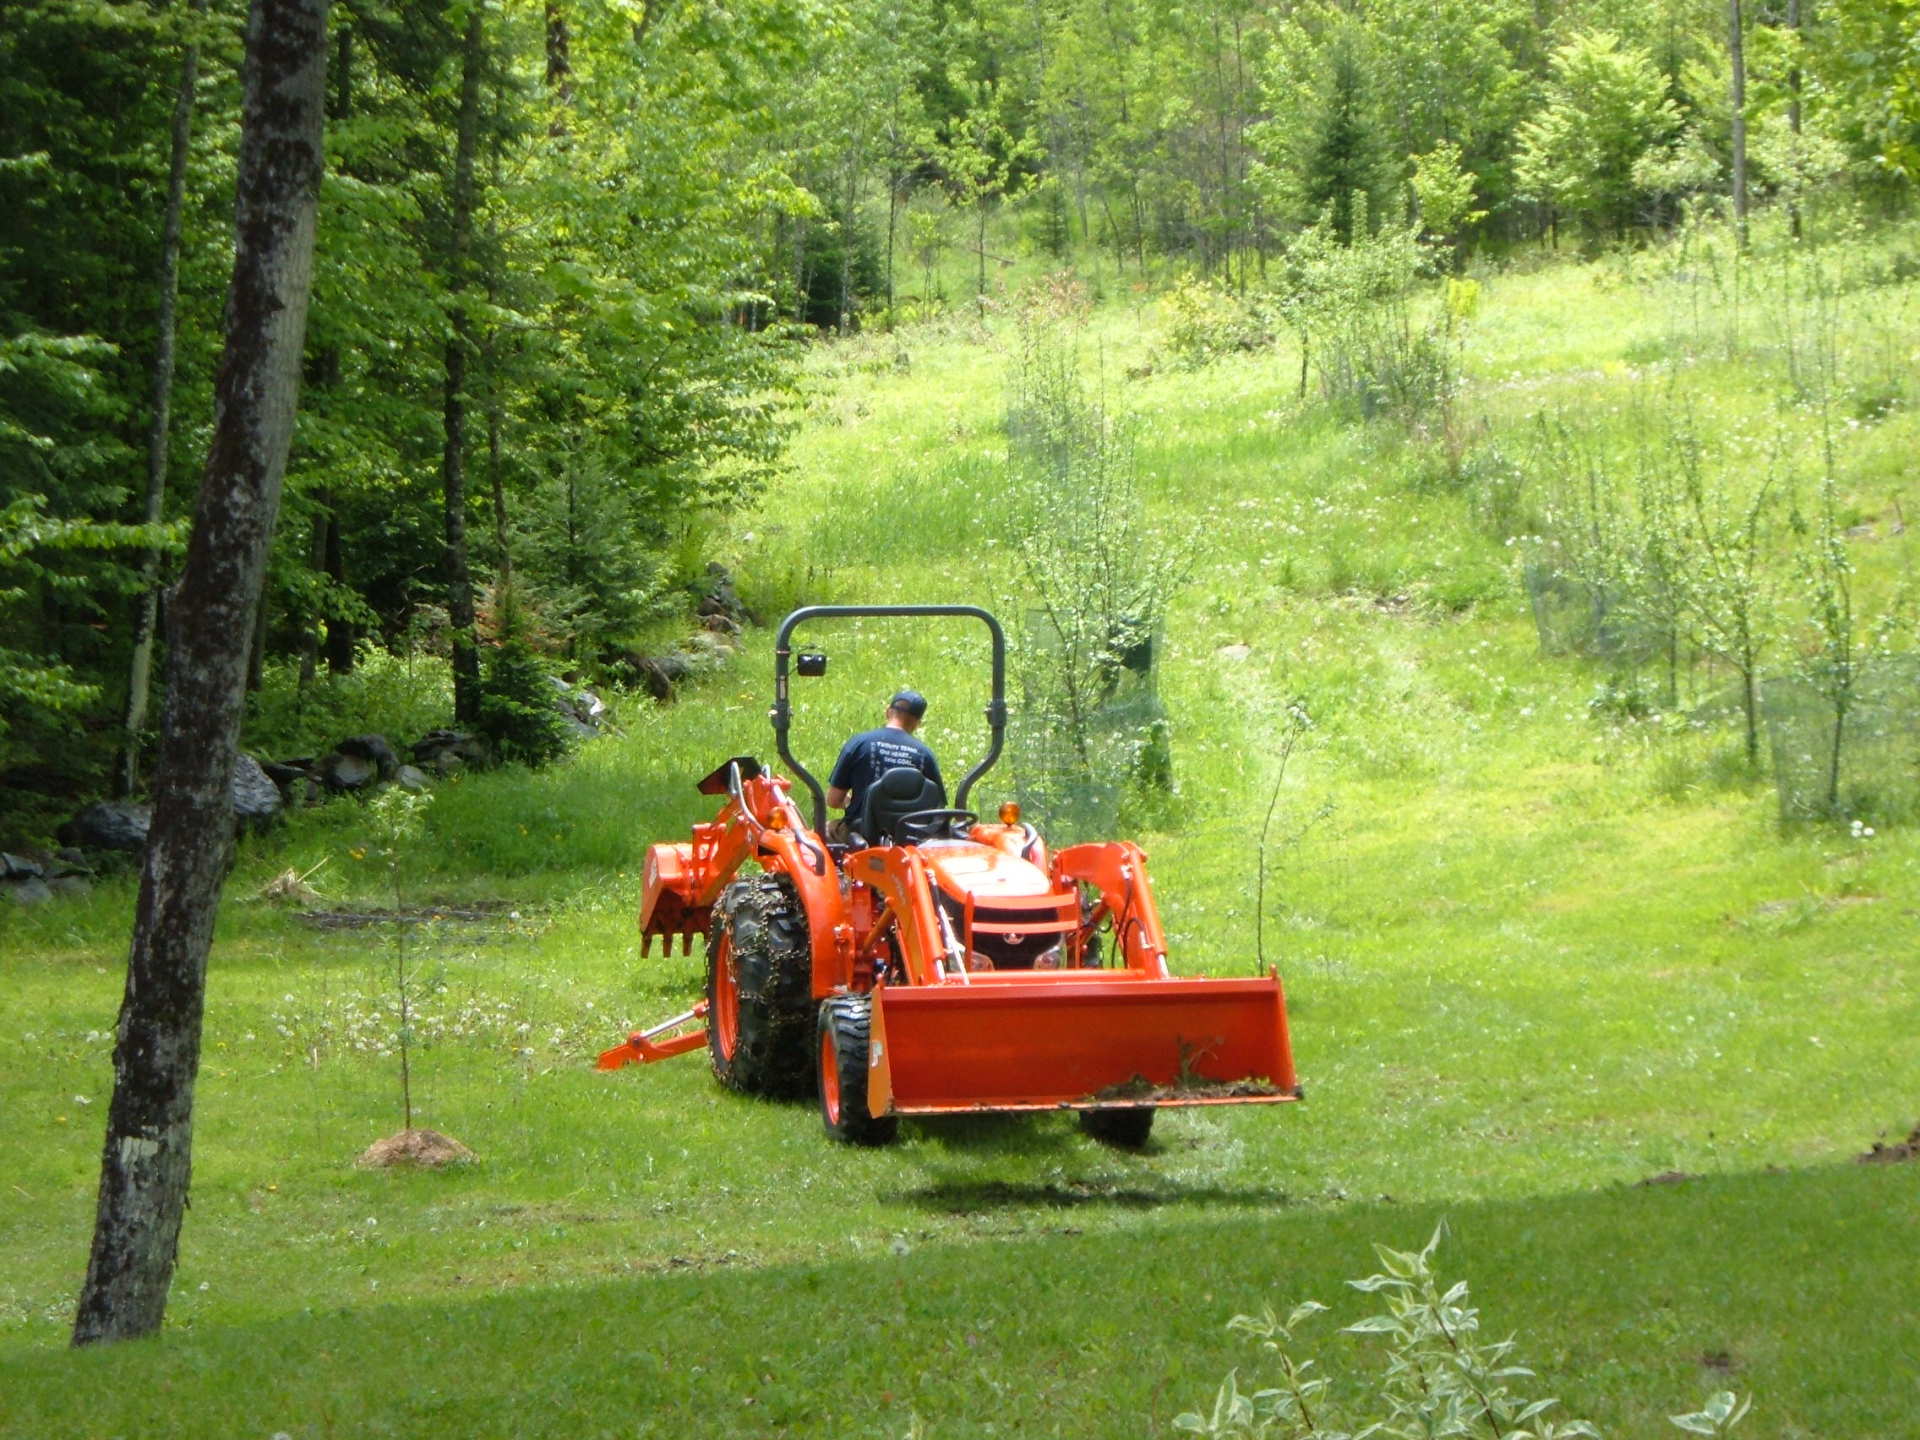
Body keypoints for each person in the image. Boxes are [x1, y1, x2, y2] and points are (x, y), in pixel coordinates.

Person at [826, 690, 943, 842]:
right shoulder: (925, 754)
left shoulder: (859, 743)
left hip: (862, 835)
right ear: (918, 723)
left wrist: (854, 802)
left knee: (825, 830)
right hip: (910, 839)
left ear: (888, 712)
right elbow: (937, 808)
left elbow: (833, 800)